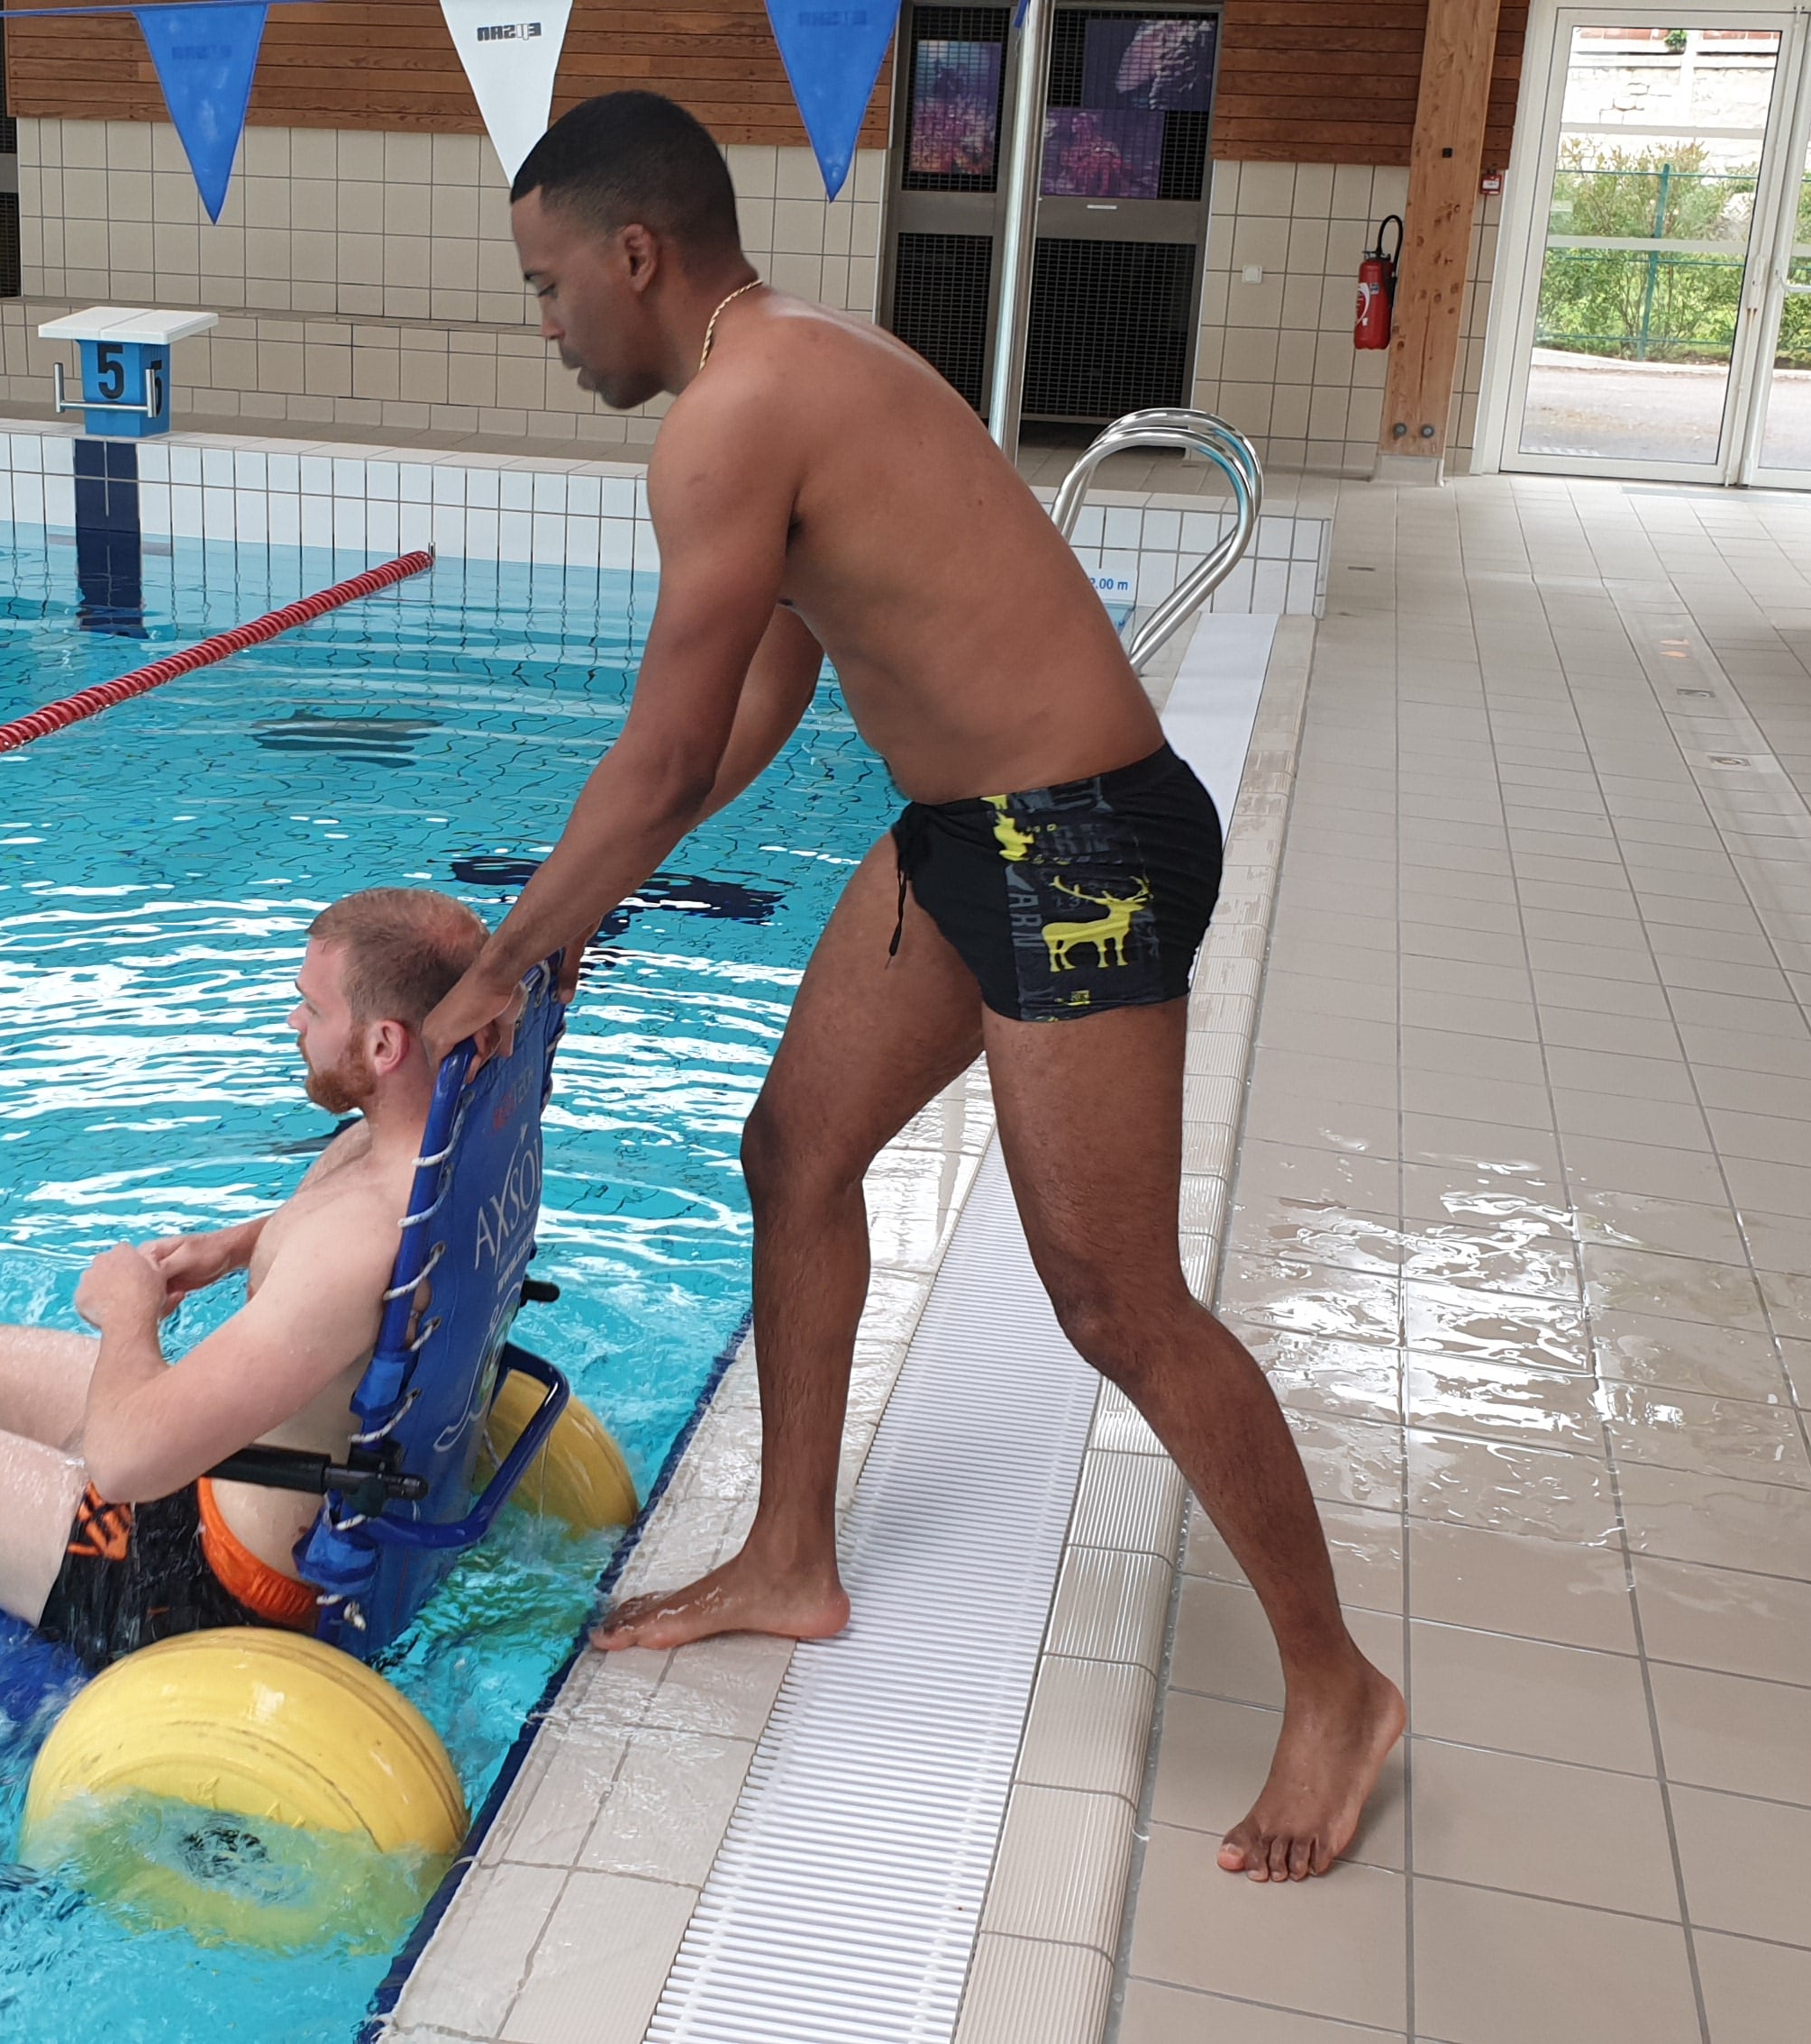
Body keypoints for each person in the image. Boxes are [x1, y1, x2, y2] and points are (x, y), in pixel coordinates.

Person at [417, 91, 1403, 1883]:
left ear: (635, 254)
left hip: (1080, 847)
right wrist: (578, 904)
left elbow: (658, 760)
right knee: (793, 1151)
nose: (545, 322)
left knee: (1115, 1301)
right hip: (972, 833)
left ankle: (1339, 1687)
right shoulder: (797, 365)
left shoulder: (730, 417)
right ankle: (792, 1555)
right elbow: (766, 693)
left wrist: (506, 953)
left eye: (548, 285)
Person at [0, 888, 489, 1666]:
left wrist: (129, 1313)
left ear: (384, 1044)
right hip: (246, 1484)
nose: (295, 1022)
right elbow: (342, 1250)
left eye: (314, 1009)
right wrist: (232, 1247)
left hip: (189, 1575)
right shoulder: (449, 1144)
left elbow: (123, 1467)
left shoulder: (352, 1245)